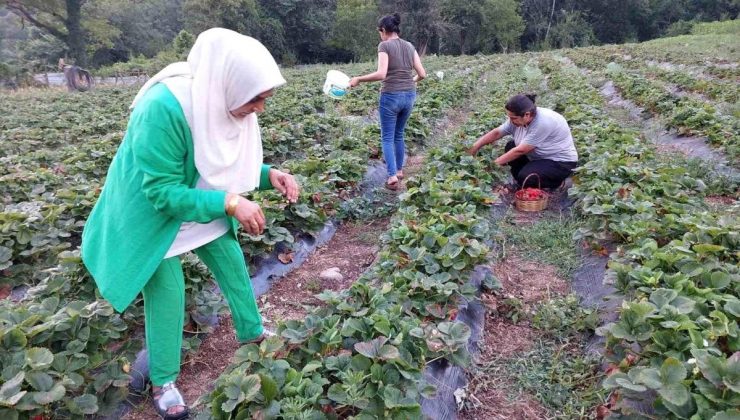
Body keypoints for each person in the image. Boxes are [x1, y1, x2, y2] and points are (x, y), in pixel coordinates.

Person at [81, 28, 299, 420]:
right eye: (257, 100)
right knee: (168, 289)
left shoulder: (224, 98)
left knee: (229, 257)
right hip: (153, 214)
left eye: (264, 99)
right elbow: (162, 192)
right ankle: (164, 382)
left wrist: (270, 176)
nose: (260, 109)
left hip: (201, 197)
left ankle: (251, 332)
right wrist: (230, 202)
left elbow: (223, 158)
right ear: (231, 85)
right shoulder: (164, 107)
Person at [349, 13, 426, 190]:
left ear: (383, 30)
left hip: (391, 95)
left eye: (380, 32)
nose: (380, 35)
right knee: (399, 134)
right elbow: (422, 74)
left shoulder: (384, 45)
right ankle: (399, 170)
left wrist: (359, 79)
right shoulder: (409, 46)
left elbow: (381, 74)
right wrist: (410, 82)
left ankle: (391, 176)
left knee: (387, 137)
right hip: (409, 95)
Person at [468, 94, 578, 190]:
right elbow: (497, 133)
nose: (511, 121)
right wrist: (476, 146)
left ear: (527, 114)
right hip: (539, 157)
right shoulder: (518, 118)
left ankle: (555, 183)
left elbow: (520, 151)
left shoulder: (543, 122)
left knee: (526, 176)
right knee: (511, 146)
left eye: (514, 118)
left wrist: (492, 166)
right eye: (509, 117)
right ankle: (522, 182)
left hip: (560, 162)